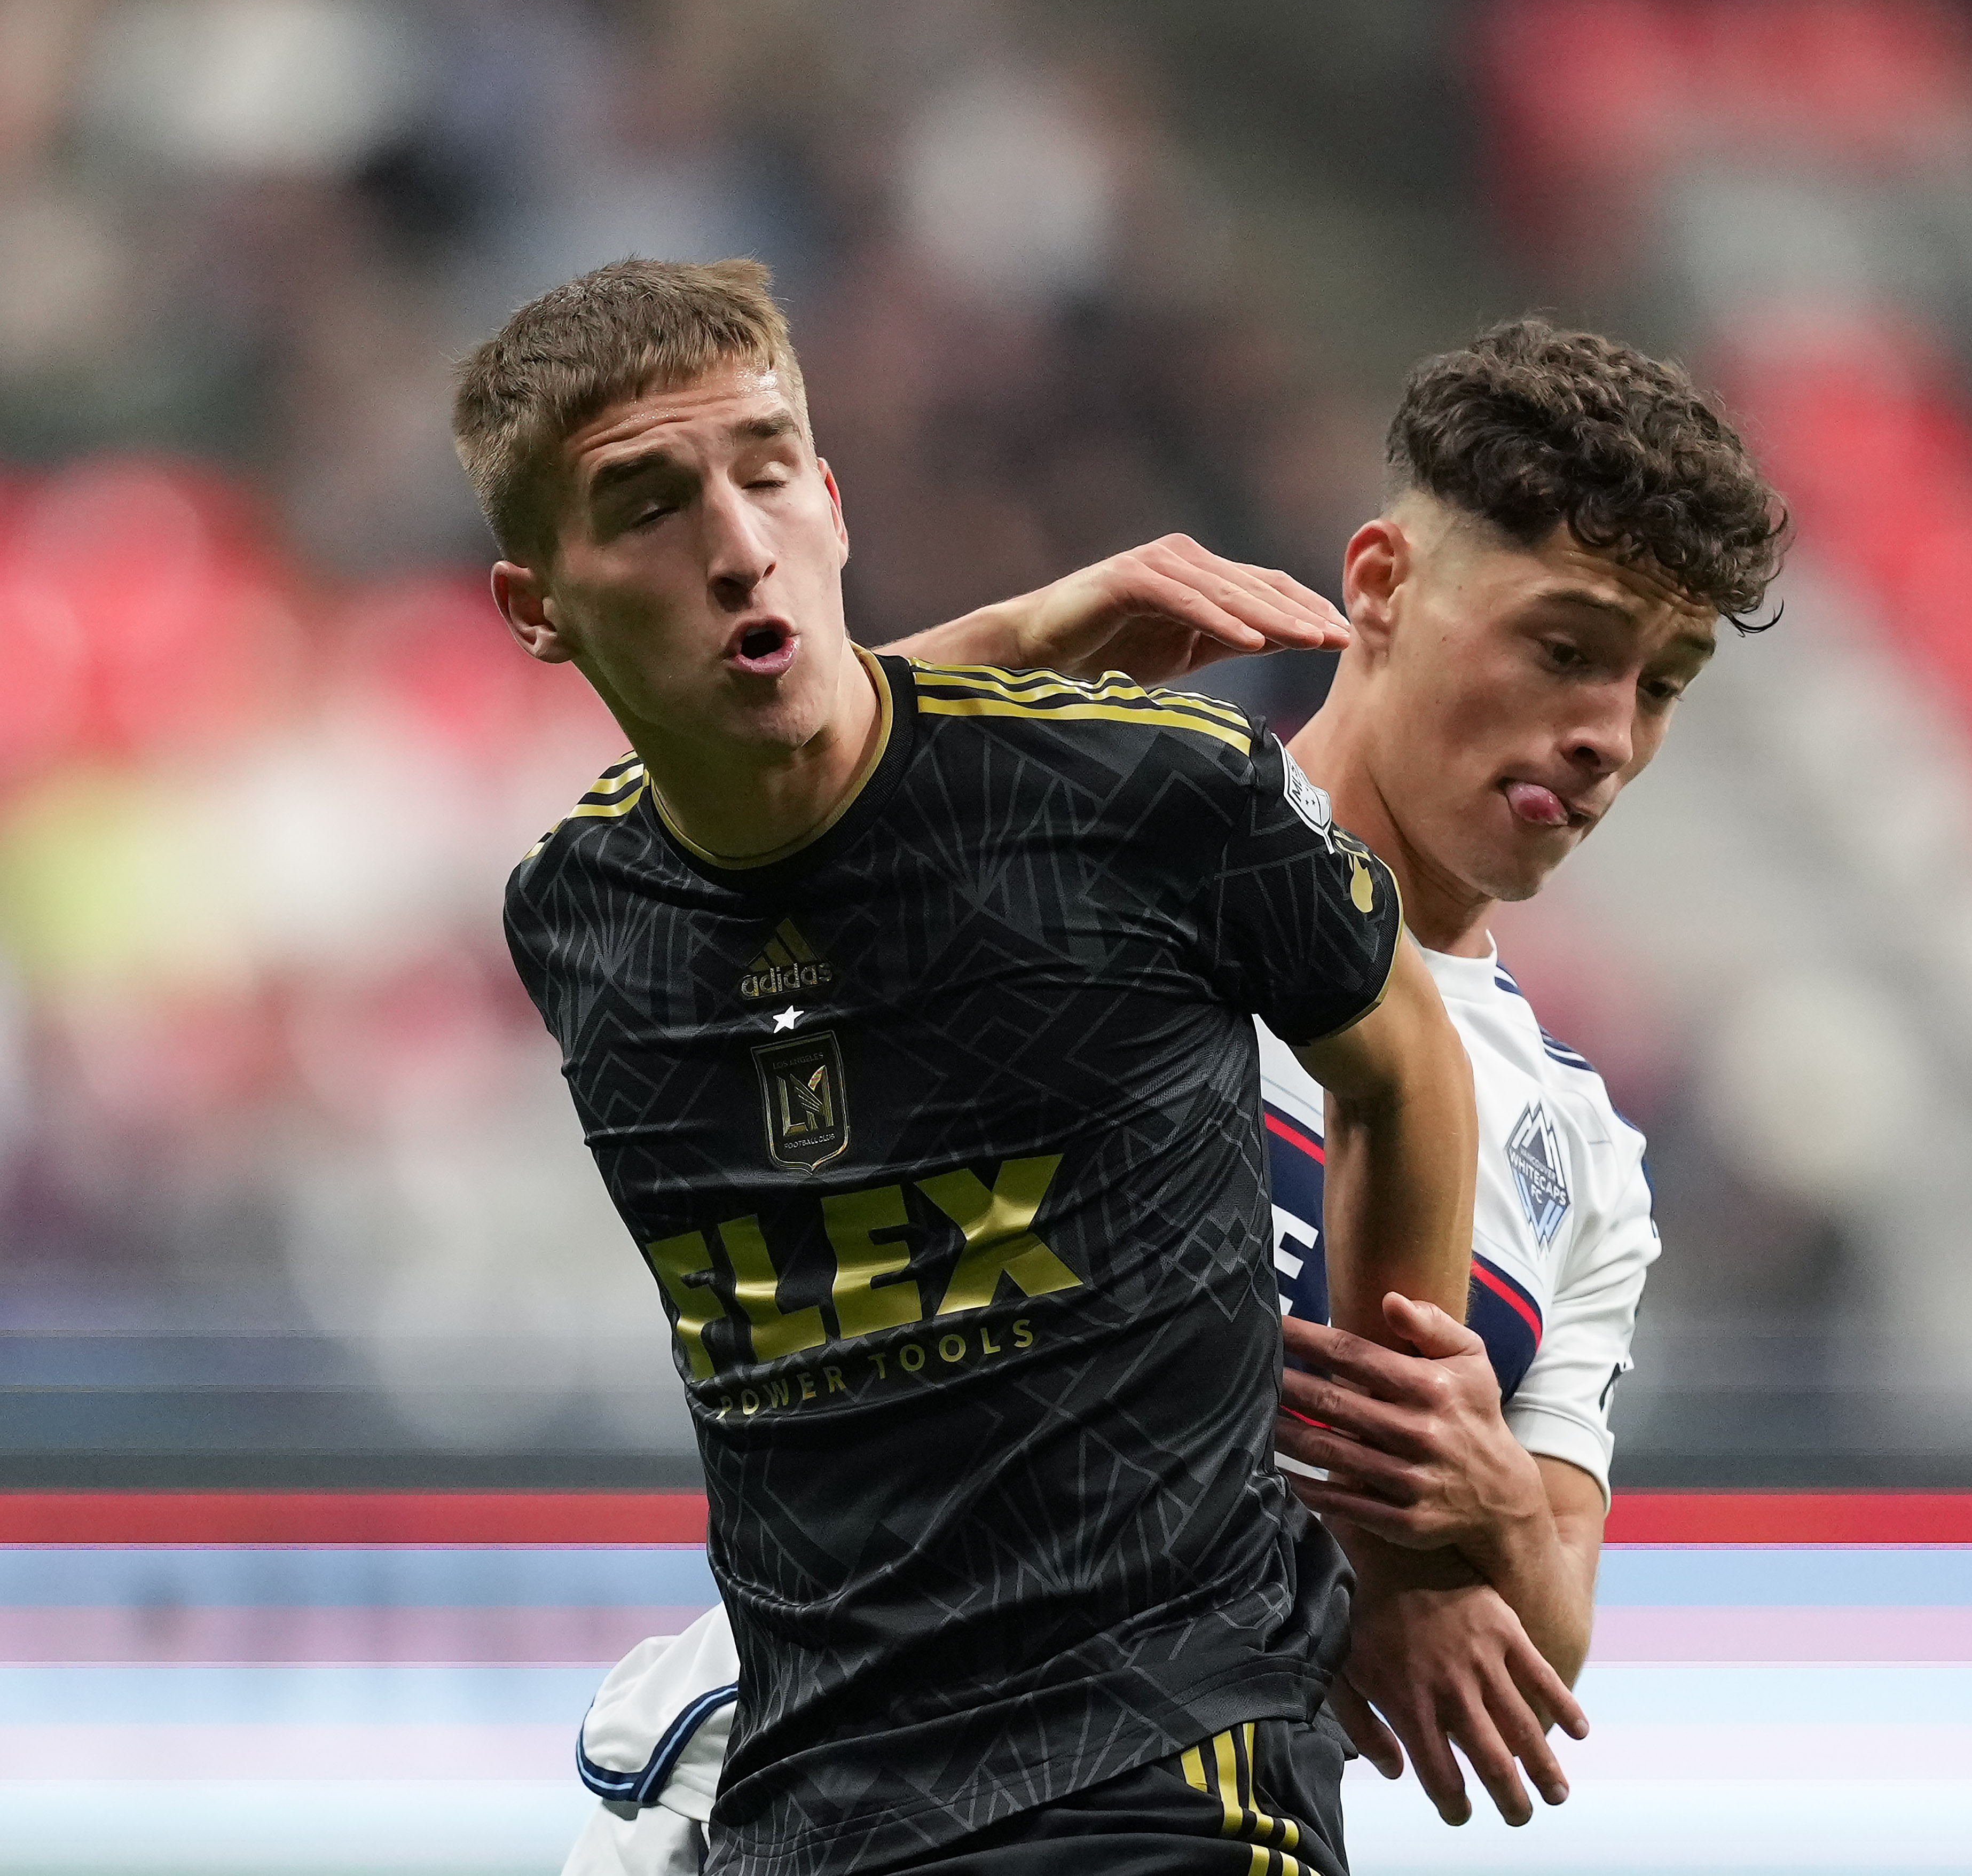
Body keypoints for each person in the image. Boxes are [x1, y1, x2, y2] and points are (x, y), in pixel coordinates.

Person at [562, 317, 1791, 1872]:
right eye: (1563, 649)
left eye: (1661, 684)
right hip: (793, 1781)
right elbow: (691, 843)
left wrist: (1485, 1513)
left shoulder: (1583, 1158)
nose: (1608, 734)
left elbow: (1543, 1631)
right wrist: (1017, 639)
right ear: (1381, 583)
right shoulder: (1096, 837)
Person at [468, 256, 1481, 1876]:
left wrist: (1399, 1524)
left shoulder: (1155, 797)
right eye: (649, 506)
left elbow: (1409, 1067)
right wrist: (1004, 638)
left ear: (831, 500)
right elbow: (775, 793)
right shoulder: (582, 916)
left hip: (1163, 1761)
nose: (737, 544)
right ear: (539, 607)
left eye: (767, 472)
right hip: (812, 1804)